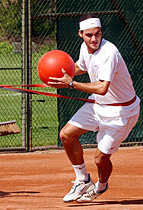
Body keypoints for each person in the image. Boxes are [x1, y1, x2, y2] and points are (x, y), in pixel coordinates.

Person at [48, 13, 140, 203]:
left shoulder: (109, 52)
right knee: (66, 135)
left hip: (121, 113)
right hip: (98, 105)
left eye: (97, 34)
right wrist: (59, 76)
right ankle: (82, 180)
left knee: (100, 159)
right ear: (80, 34)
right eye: (89, 35)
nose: (94, 39)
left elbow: (102, 87)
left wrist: (71, 83)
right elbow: (81, 67)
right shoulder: (84, 47)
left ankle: (101, 185)